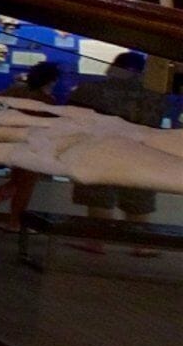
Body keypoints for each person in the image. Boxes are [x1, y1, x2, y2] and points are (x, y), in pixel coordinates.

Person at [67, 49, 165, 247]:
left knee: (99, 197)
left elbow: (73, 118)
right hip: (141, 152)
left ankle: (96, 242)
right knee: (138, 200)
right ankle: (141, 245)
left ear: (114, 67)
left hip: (100, 150)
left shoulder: (90, 90)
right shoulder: (154, 95)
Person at [0, 56, 76, 228]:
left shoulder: (18, 90)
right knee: (25, 185)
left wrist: (3, 118)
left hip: (15, 140)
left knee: (17, 182)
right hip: (33, 145)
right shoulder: (46, 101)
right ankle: (14, 222)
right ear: (52, 80)